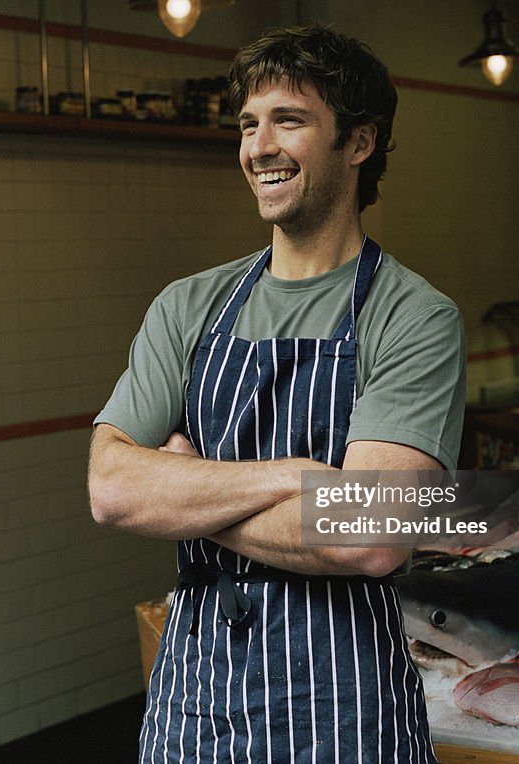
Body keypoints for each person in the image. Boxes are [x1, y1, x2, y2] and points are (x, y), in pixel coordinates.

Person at [89, 24, 465, 763]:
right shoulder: (187, 306)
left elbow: (371, 534)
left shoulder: (413, 315)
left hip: (345, 705)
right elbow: (109, 487)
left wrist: (185, 498)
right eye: (248, 124)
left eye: (288, 121)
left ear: (359, 143)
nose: (259, 146)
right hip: (194, 699)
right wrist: (296, 478)